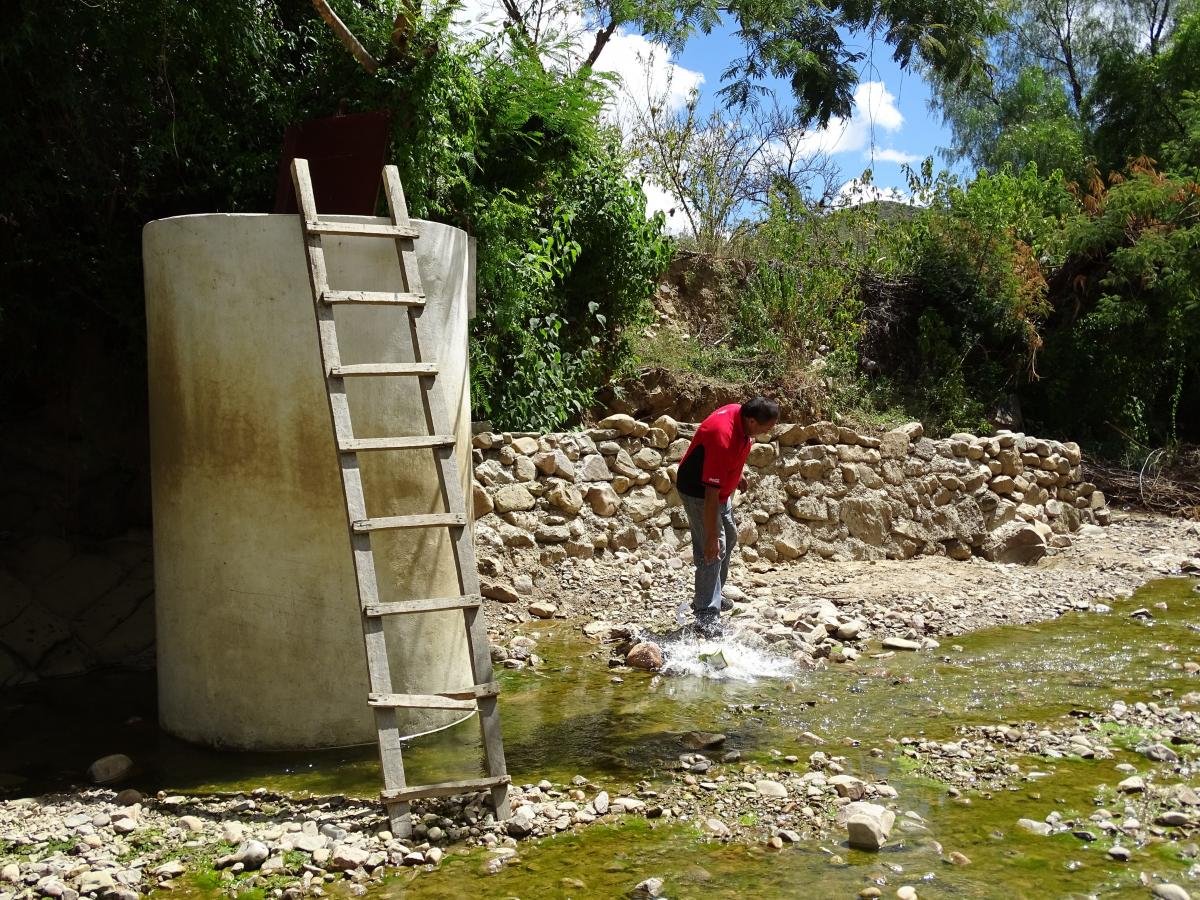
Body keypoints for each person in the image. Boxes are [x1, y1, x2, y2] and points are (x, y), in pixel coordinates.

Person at [676, 397, 780, 637]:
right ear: (752, 421)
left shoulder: (739, 414)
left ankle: (713, 593)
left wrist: (736, 471)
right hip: (699, 493)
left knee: (729, 538)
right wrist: (711, 538)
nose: (769, 431)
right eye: (767, 427)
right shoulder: (722, 436)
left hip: (720, 492)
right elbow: (710, 493)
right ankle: (706, 616)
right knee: (711, 551)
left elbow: (731, 451)